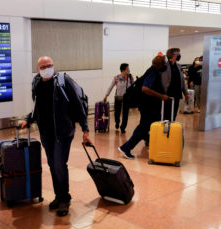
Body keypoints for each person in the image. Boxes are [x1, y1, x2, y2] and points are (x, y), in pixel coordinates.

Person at [18, 56, 92, 217]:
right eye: (43, 66)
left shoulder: (63, 81)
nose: (47, 68)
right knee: (52, 165)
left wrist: (86, 130)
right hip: (46, 132)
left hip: (63, 132)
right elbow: (38, 108)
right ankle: (59, 196)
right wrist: (27, 119)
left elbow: (78, 107)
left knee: (59, 164)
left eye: (49, 65)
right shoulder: (36, 83)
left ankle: (65, 199)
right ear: (38, 69)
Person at [118, 55, 172, 159]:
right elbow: (145, 89)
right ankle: (126, 148)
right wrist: (161, 96)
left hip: (150, 106)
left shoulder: (155, 72)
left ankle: (151, 143)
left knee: (148, 126)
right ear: (159, 64)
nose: (165, 65)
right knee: (143, 127)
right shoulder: (152, 72)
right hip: (148, 106)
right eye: (164, 63)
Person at [104, 63, 134, 133]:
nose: (129, 70)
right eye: (127, 69)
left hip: (127, 98)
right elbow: (111, 87)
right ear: (123, 70)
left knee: (125, 113)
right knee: (117, 112)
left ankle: (123, 127)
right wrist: (106, 95)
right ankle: (117, 122)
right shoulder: (116, 78)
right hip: (118, 97)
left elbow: (133, 87)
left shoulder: (130, 77)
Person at [162, 48, 190, 121]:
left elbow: (182, 81)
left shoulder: (179, 66)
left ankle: (172, 128)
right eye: (177, 54)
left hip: (177, 94)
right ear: (172, 55)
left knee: (173, 114)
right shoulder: (164, 66)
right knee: (166, 114)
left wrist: (186, 93)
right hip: (167, 94)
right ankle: (165, 129)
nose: (179, 55)